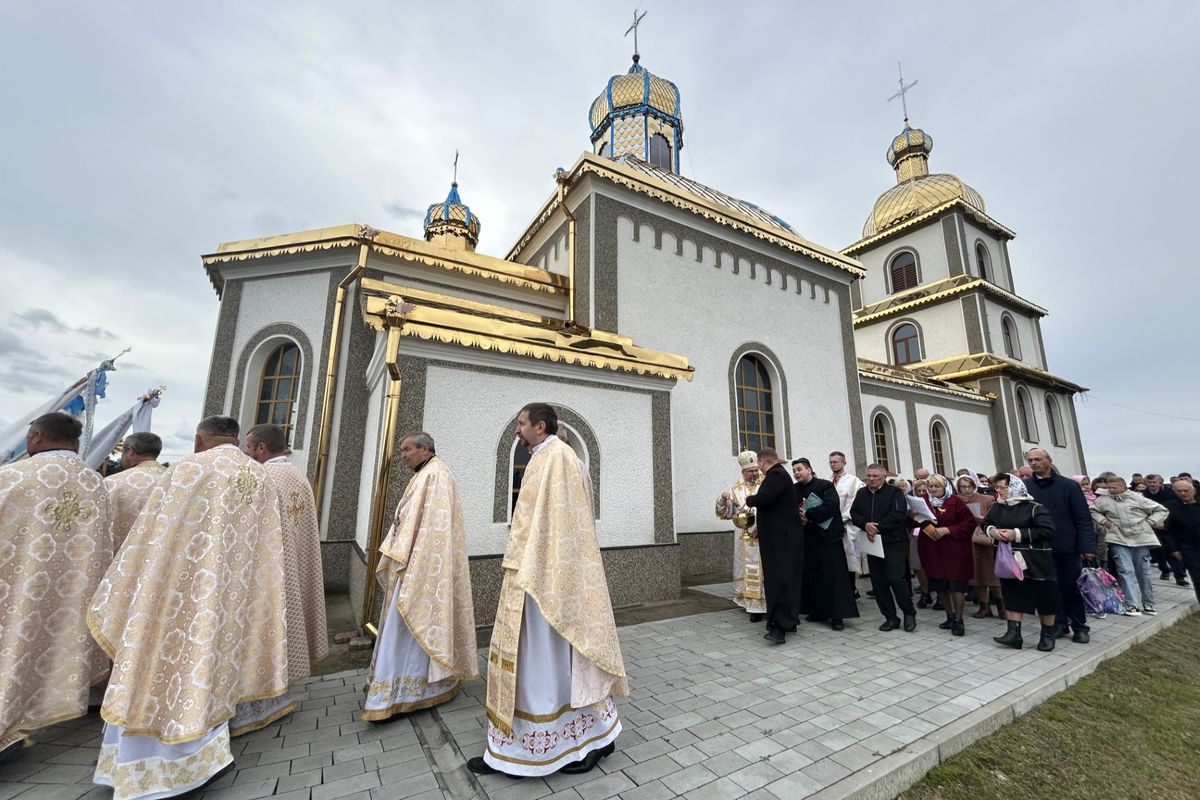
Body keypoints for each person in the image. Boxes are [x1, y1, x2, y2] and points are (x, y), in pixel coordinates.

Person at [89, 416, 290, 799]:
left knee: (159, 674)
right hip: (231, 596)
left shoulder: (188, 469)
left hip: (175, 596)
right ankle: (202, 758)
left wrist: (131, 588)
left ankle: (150, 771)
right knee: (210, 670)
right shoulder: (259, 476)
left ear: (199, 439)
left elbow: (150, 540)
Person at [471, 404, 626, 777]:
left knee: (547, 660)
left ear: (540, 426)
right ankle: (577, 740)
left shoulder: (556, 458)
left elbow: (564, 524)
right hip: (534, 574)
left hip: (546, 579)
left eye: (521, 425)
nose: (516, 432)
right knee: (550, 661)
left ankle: (571, 743)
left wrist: (542, 571)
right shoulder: (552, 455)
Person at [0, 412, 113, 754]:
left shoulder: (13, 476)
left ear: (34, 437)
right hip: (70, 595)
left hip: (14, 586)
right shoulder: (96, 483)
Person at [362, 432, 477, 720]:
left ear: (424, 449)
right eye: (401, 450)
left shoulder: (436, 476)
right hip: (412, 562)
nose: (402, 455)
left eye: (407, 450)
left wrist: (411, 563)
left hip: (420, 568)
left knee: (408, 627)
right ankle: (403, 688)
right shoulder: (426, 473)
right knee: (403, 629)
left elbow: (433, 531)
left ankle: (408, 691)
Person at [245, 423, 329, 682]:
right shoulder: (297, 474)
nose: (246, 453)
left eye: (248, 447)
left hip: (271, 570)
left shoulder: (261, 478)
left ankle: (268, 679)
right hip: (297, 563)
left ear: (261, 447)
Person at [1025, 448, 1096, 644]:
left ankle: (1080, 626)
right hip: (1040, 546)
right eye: (1030, 460)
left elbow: (1082, 517)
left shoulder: (1069, 486)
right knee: (1049, 588)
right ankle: (1058, 623)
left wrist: (1087, 546)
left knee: (1070, 586)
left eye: (1038, 459)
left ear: (1048, 460)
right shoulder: (1026, 487)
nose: (1034, 463)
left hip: (1067, 544)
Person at [983, 474, 1060, 651]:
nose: (999, 491)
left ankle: (1047, 634)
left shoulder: (1034, 508)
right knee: (1012, 593)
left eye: (1003, 487)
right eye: (998, 488)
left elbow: (1047, 531)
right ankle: (1013, 633)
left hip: (1035, 559)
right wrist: (992, 531)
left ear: (1015, 487)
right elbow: (986, 523)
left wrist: (1016, 534)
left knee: (1044, 597)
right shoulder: (997, 508)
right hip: (1009, 558)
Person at [745, 448, 804, 643]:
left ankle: (779, 627)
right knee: (785, 579)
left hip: (781, 540)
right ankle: (790, 620)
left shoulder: (776, 474)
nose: (758, 469)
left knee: (779, 580)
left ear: (762, 461)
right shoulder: (780, 475)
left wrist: (749, 499)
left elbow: (764, 499)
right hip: (781, 537)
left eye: (758, 465)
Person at [794, 458, 858, 631]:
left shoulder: (824, 486)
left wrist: (809, 514)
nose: (797, 473)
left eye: (800, 469)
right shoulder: (795, 489)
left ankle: (837, 615)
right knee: (813, 577)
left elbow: (832, 506)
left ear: (809, 469)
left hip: (828, 538)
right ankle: (817, 611)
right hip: (808, 539)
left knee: (833, 577)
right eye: (794, 471)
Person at [851, 464, 916, 632]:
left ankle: (909, 613)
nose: (871, 479)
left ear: (884, 476)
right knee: (878, 583)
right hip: (872, 543)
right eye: (869, 476)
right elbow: (854, 512)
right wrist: (865, 524)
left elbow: (898, 514)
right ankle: (890, 617)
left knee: (896, 579)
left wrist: (877, 527)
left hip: (892, 542)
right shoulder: (862, 493)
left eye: (875, 476)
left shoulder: (894, 493)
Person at [1091, 476, 1168, 616]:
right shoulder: (1103, 499)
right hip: (1118, 537)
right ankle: (1131, 604)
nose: (1111, 490)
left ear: (1123, 487)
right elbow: (1093, 510)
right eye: (1109, 488)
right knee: (1125, 570)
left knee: (1143, 572)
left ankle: (1148, 603)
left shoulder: (1137, 498)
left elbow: (1161, 510)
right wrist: (1105, 522)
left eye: (1115, 488)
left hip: (1140, 537)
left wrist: (1150, 522)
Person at [917, 475, 977, 636]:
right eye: (930, 487)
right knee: (939, 583)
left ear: (945, 487)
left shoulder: (955, 502)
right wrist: (914, 516)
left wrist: (947, 530)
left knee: (956, 584)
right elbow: (917, 521)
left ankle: (958, 619)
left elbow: (969, 523)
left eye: (937, 487)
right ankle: (949, 616)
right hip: (933, 548)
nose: (933, 490)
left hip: (954, 549)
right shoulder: (923, 500)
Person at [715, 450, 766, 622]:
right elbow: (727, 513)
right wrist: (724, 499)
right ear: (743, 472)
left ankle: (766, 602)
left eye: (755, 469)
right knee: (746, 568)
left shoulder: (765, 484)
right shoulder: (736, 489)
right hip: (743, 537)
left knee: (764, 568)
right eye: (750, 471)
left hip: (763, 533)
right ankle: (752, 607)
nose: (754, 473)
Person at [105, 432, 167, 552]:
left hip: (119, 559)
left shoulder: (112, 482)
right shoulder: (175, 480)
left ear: (129, 451)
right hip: (159, 558)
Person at [958, 475, 1002, 619]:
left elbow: (997, 517)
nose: (966, 490)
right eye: (963, 487)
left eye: (969, 486)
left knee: (992, 575)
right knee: (976, 576)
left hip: (985, 540)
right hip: (967, 541)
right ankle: (984, 606)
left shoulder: (987, 499)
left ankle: (1002, 605)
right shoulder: (957, 501)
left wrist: (984, 519)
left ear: (974, 486)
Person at [829, 451, 866, 586]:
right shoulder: (827, 480)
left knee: (848, 560)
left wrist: (842, 518)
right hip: (828, 526)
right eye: (831, 462)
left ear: (843, 463)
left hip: (846, 525)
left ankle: (852, 589)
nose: (832, 464)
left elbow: (855, 502)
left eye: (835, 461)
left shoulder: (854, 481)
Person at [1142, 474, 1187, 585]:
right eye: (1150, 482)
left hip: (1167, 525)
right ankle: (1164, 570)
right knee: (1157, 550)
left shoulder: (1169, 494)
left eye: (1155, 482)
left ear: (1160, 483)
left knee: (1172, 549)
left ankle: (1179, 575)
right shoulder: (1143, 496)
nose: (1152, 485)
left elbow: (1172, 509)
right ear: (1146, 483)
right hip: (1152, 526)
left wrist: (1166, 523)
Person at [1162, 478, 1200, 604]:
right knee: (1197, 577)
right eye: (1179, 491)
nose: (1183, 494)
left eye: (1186, 490)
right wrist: (1174, 548)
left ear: (1193, 490)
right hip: (1188, 547)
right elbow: (1168, 531)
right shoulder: (1170, 506)